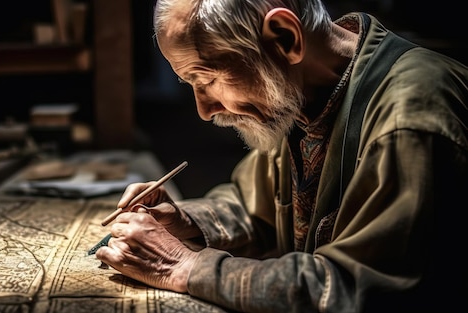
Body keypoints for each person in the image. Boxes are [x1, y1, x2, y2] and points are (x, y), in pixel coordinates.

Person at [95, 0, 468, 311]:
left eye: (206, 79)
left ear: (285, 38)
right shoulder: (298, 95)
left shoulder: (411, 121)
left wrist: (186, 265)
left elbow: (355, 291)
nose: (204, 110)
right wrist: (184, 220)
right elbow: (252, 205)